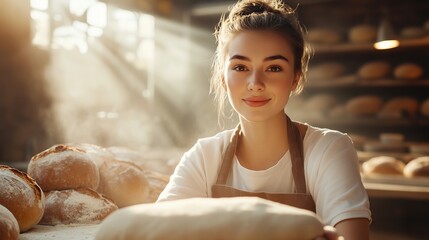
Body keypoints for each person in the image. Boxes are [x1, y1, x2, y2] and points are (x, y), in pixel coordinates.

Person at [157, 0, 371, 239]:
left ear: (295, 78)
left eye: (274, 68)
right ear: (222, 78)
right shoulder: (204, 157)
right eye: (240, 67)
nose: (255, 84)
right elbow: (155, 231)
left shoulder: (328, 149)